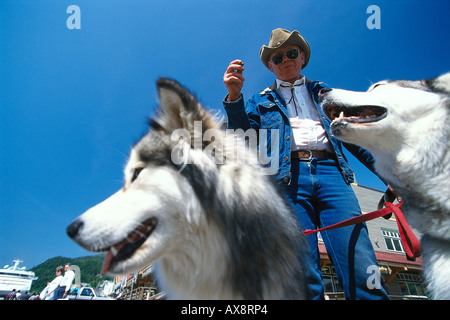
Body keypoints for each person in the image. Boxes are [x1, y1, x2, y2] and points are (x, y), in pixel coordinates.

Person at [223, 28, 389, 300]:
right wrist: (234, 98)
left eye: (291, 53)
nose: (285, 59)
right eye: (278, 58)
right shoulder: (258, 101)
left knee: (360, 260)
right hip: (286, 183)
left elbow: (356, 138)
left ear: (302, 57)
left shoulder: (327, 94)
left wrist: (389, 176)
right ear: (270, 66)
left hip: (333, 177)